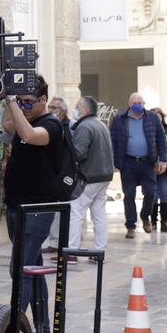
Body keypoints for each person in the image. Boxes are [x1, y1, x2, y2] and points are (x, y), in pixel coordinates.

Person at [1, 78, 73, 333]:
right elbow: (8, 125)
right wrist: (9, 99)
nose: (24, 108)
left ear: (44, 100)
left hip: (37, 209)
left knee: (20, 269)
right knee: (34, 268)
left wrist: (11, 101)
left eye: (28, 102)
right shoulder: (25, 119)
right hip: (16, 205)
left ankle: (14, 330)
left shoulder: (51, 126)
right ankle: (42, 328)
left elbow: (29, 136)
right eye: (21, 102)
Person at [114, 93, 166, 238]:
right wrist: (115, 162)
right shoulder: (120, 119)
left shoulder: (152, 118)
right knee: (129, 195)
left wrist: (163, 159)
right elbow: (114, 140)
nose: (138, 105)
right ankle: (131, 225)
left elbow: (161, 138)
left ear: (144, 103)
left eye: (140, 102)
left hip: (147, 162)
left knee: (151, 193)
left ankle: (145, 216)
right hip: (128, 162)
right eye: (135, 102)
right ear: (129, 104)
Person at [69, 97, 114, 254]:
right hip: (104, 176)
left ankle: (72, 250)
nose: (75, 109)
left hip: (89, 177)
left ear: (85, 110)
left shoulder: (84, 127)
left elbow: (79, 153)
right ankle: (99, 249)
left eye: (77, 106)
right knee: (99, 213)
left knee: (76, 211)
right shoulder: (101, 125)